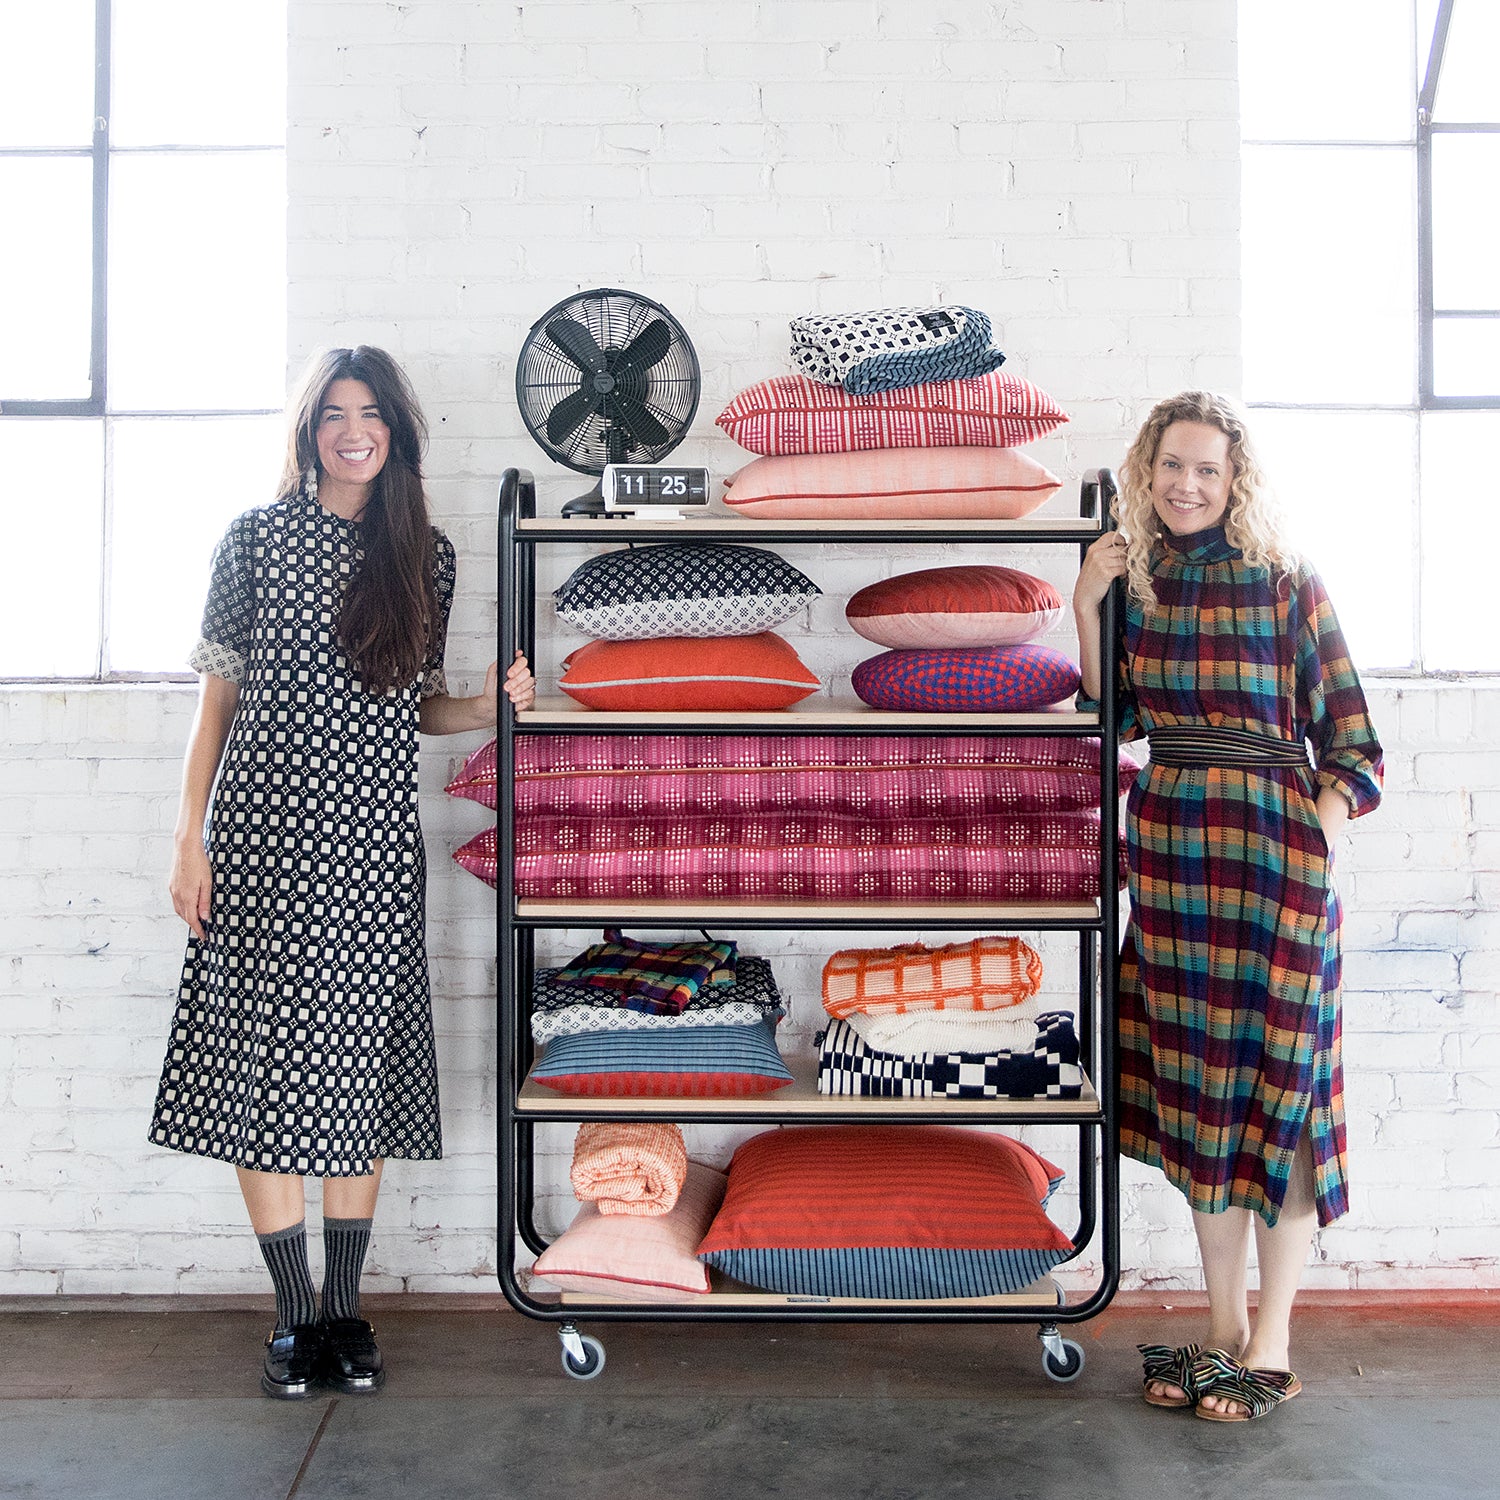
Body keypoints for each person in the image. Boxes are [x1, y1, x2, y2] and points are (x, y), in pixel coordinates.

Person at [149, 346, 535, 1400]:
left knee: (354, 1068)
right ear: (308, 429)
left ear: (398, 432)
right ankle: (293, 1320)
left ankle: (349, 1314)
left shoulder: (428, 556)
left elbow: (417, 709)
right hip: (263, 841)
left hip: (369, 850)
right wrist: (190, 839)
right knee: (268, 1072)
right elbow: (215, 703)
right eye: (333, 412)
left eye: (370, 413)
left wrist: (499, 703)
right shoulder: (254, 542)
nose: (351, 429)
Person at [1073, 391, 1382, 1423]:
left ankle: (1274, 1337)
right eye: (1172, 465)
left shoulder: (1288, 583)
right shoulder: (1140, 583)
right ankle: (1219, 1332)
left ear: (1235, 478)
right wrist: (1086, 602)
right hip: (1171, 859)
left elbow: (1355, 747)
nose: (1187, 484)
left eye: (1208, 468)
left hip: (1276, 860)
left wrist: (1315, 842)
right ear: (1146, 469)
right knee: (1203, 1101)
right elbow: (1109, 721)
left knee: (1281, 1097)